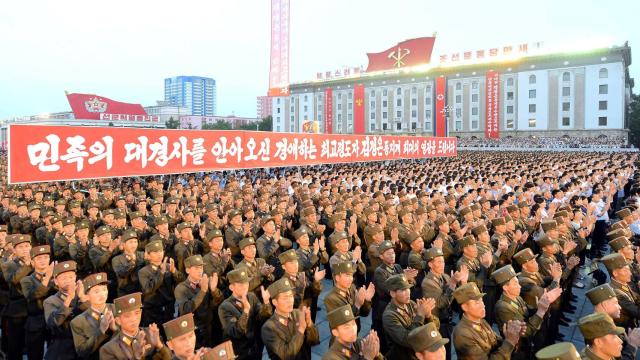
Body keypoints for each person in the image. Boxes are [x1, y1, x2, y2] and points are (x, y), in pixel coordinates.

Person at [491, 265, 562, 360]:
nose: (519, 286)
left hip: (526, 345)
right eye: (515, 284)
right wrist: (540, 312)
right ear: (505, 287)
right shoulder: (503, 307)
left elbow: (528, 311)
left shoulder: (517, 297)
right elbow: (524, 332)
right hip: (518, 350)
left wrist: (539, 306)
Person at [452, 282, 522, 360]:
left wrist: (511, 337)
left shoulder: (481, 321)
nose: (483, 305)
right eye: (477, 303)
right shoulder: (462, 333)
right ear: (465, 307)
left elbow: (496, 344)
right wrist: (509, 341)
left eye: (482, 301)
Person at [218, 268, 272, 360]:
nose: (245, 286)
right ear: (231, 287)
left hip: (255, 349)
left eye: (246, 283)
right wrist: (246, 310)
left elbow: (261, 317)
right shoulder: (224, 307)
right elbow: (236, 332)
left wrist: (266, 303)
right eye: (241, 284)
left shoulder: (251, 296)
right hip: (238, 353)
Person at [382, 274, 438, 360]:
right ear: (393, 293)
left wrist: (428, 315)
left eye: (408, 288)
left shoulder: (410, 304)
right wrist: (420, 315)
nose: (408, 292)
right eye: (403, 290)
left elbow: (436, 327)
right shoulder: (389, 315)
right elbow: (408, 339)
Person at [261, 278, 320, 359]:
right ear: (275, 302)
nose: (290, 301)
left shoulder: (298, 313)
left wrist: (310, 324)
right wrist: (301, 330)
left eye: (291, 296)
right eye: (285, 298)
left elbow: (315, 341)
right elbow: (286, 355)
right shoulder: (268, 328)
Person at [98, 292, 169, 359]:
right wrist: (137, 358)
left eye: (137, 313)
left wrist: (159, 345)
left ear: (141, 313)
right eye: (127, 316)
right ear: (118, 321)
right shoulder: (109, 349)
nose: (134, 319)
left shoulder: (151, 334)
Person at [174, 254, 222, 348]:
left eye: (201, 267)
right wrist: (203, 291)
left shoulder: (206, 282)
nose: (200, 271)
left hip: (209, 328)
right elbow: (186, 310)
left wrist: (214, 290)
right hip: (193, 332)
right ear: (187, 270)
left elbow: (218, 302)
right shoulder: (181, 288)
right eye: (196, 268)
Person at [43, 260, 88, 360]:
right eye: (64, 278)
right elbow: (52, 323)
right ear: (56, 281)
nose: (68, 280)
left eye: (71, 277)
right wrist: (68, 299)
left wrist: (83, 298)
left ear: (76, 278)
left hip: (83, 344)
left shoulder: (82, 295)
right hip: (63, 346)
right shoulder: (50, 301)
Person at [20, 244, 56, 360]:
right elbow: (32, 295)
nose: (43, 261)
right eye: (39, 258)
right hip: (35, 321)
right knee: (35, 355)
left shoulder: (56, 278)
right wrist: (47, 278)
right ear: (32, 261)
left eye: (45, 257)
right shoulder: (27, 280)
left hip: (53, 321)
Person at [70, 272, 117, 360]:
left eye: (104, 289)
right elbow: (82, 352)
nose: (102, 294)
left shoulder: (117, 309)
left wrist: (115, 330)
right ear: (87, 295)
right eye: (96, 291)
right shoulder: (78, 322)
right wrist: (100, 331)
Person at [1, 234, 33, 360]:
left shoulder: (37, 262)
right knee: (15, 345)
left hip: (34, 308)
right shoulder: (8, 264)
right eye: (20, 247)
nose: (25, 249)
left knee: (33, 345)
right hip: (17, 310)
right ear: (14, 250)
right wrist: (27, 265)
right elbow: (13, 280)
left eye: (27, 246)